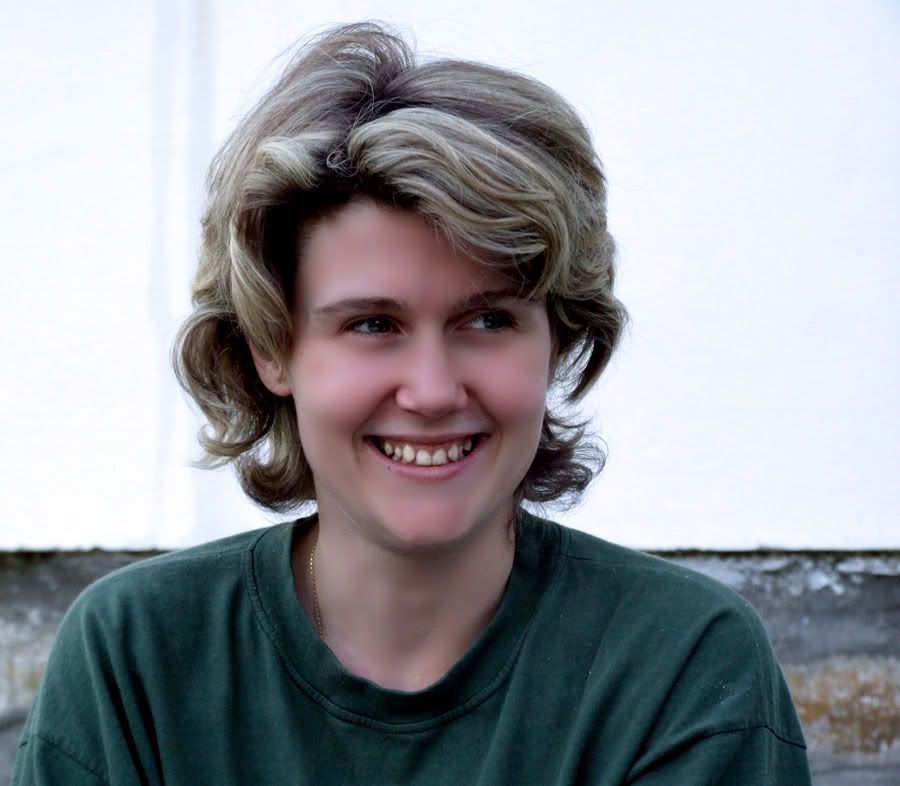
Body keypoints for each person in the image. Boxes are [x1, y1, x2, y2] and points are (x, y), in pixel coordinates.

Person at [13, 22, 811, 785]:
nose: (431, 392)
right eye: (372, 325)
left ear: (559, 340)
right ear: (271, 348)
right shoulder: (137, 659)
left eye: (488, 321)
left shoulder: (680, 664)